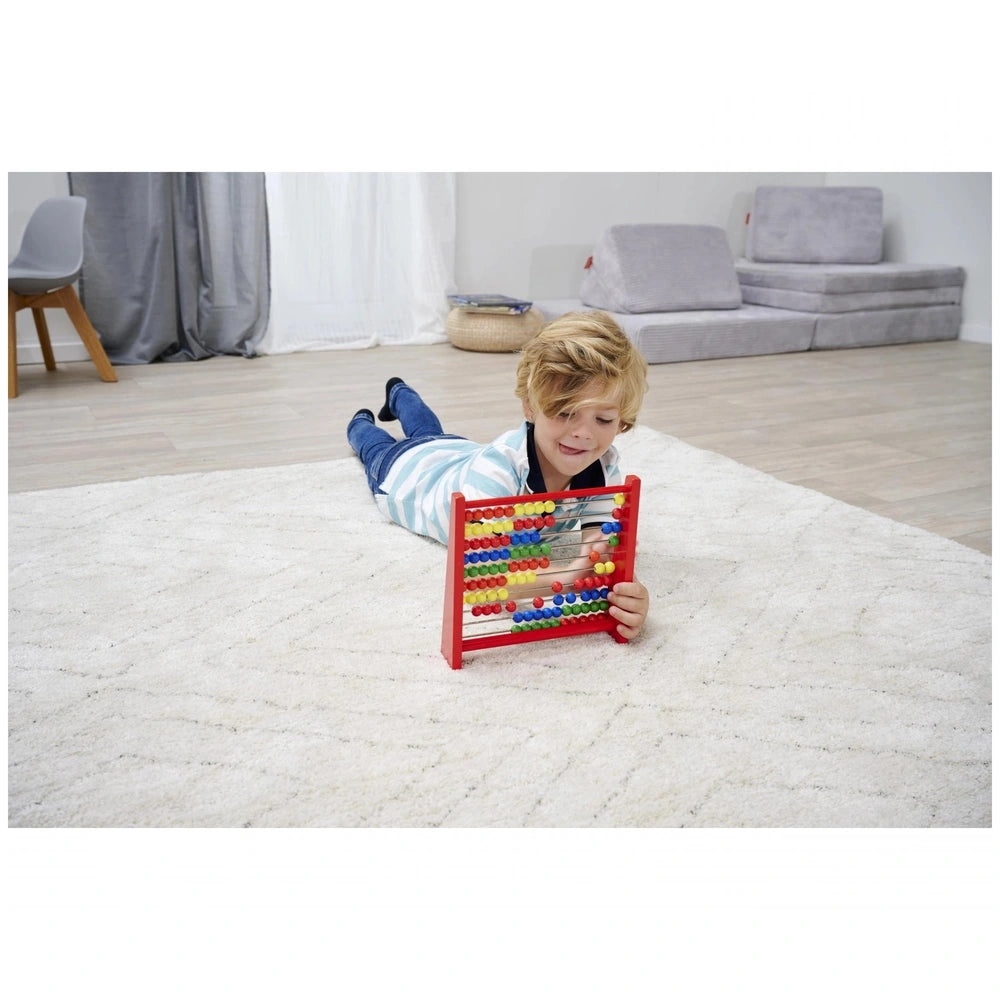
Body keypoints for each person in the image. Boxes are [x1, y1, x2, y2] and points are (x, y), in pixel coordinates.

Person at [347, 310, 650, 639]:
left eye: (602, 420)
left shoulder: (604, 466)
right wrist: (565, 574)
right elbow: (485, 575)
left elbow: (598, 547)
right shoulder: (497, 471)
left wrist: (626, 595)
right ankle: (362, 420)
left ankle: (400, 395)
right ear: (530, 407)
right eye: (565, 412)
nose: (583, 433)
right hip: (408, 472)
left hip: (458, 452)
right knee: (377, 446)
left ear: (622, 421)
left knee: (429, 431)